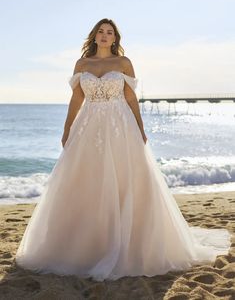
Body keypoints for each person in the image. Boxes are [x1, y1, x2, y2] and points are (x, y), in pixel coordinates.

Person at [15, 18, 231, 281]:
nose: (105, 36)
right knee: (87, 180)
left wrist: (140, 129)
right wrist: (66, 128)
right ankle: (86, 244)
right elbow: (76, 99)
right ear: (94, 37)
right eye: (101, 32)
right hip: (88, 127)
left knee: (126, 180)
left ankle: (130, 242)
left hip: (121, 127)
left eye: (110, 33)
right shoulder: (82, 65)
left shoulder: (123, 63)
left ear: (115, 39)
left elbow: (130, 98)